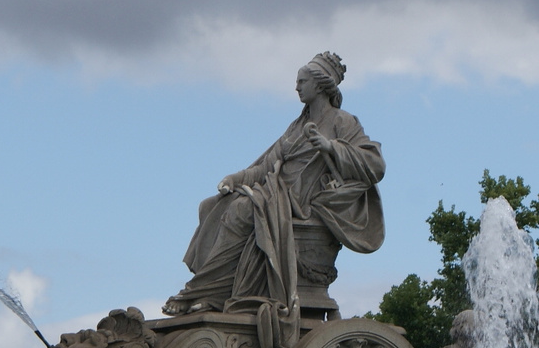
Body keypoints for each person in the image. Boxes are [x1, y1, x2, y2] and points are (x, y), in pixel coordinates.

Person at [162, 51, 384, 318]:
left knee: (242, 209)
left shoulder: (342, 121)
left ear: (320, 84)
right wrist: (236, 178)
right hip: (276, 193)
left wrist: (331, 146)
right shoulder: (296, 126)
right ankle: (215, 292)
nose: (297, 87)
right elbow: (267, 165)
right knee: (214, 205)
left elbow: (375, 164)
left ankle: (204, 291)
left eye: (302, 81)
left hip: (301, 203)